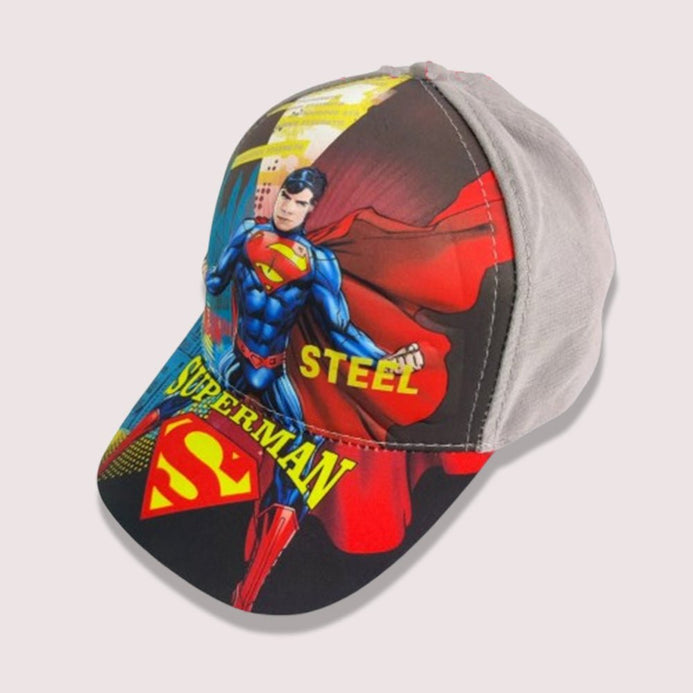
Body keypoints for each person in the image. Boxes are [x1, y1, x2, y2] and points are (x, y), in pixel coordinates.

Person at [205, 167, 423, 609]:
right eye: (286, 197)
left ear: (312, 209)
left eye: (300, 203)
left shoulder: (317, 264)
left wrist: (384, 361)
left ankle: (251, 588)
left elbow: (339, 331)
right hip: (232, 361)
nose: (288, 208)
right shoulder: (247, 235)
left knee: (297, 469)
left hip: (272, 372)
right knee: (183, 410)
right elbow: (216, 282)